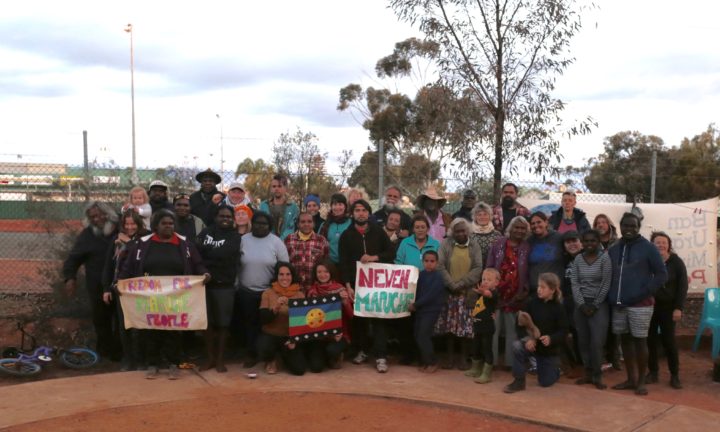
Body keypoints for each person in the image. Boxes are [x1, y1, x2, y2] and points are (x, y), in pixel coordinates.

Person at [118, 210, 210, 380]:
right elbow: (128, 266)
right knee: (151, 330)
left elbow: (198, 263)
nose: (168, 226)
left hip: (176, 295)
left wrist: (204, 273)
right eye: (164, 223)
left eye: (171, 223)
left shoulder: (185, 244)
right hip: (150, 295)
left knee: (173, 331)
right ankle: (153, 364)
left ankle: (173, 364)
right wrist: (120, 281)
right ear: (156, 226)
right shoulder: (143, 244)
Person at [608, 212, 668, 396]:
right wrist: (612, 296)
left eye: (633, 226)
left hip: (641, 304)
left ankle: (641, 381)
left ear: (638, 227)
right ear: (620, 226)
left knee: (640, 341)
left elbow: (661, 274)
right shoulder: (613, 249)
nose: (629, 229)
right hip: (619, 305)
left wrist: (643, 292)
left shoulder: (649, 248)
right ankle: (630, 379)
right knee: (625, 341)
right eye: (625, 225)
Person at [339, 199, 396, 372]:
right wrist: (348, 285)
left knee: (379, 321)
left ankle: (381, 356)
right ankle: (362, 351)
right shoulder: (346, 235)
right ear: (352, 214)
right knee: (360, 321)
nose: (361, 213)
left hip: (377, 285)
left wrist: (374, 258)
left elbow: (390, 253)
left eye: (364, 210)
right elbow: (343, 262)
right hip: (356, 284)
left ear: (369, 213)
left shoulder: (378, 232)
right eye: (357, 210)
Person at [63, 201, 119, 360]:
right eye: (92, 217)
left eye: (98, 215)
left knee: (121, 321)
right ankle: (104, 354)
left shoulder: (121, 229)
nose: (95, 219)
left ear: (107, 214)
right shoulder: (87, 235)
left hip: (120, 284)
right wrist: (70, 278)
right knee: (101, 320)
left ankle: (121, 354)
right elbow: (73, 258)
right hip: (97, 285)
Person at [236, 211, 289, 367]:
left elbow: (284, 266)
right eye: (257, 223)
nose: (260, 226)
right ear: (252, 224)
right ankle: (251, 353)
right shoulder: (243, 240)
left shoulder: (276, 242)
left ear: (269, 226)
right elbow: (235, 263)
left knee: (267, 325)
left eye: (264, 224)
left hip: (269, 293)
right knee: (249, 324)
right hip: (246, 291)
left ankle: (268, 355)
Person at [504, 273, 568, 393]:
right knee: (517, 346)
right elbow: (519, 325)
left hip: (547, 349)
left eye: (543, 287)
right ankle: (519, 381)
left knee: (545, 382)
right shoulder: (531, 303)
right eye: (538, 286)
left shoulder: (559, 308)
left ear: (552, 290)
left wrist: (551, 338)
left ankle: (555, 369)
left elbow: (564, 331)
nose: (539, 289)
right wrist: (527, 338)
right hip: (532, 345)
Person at [196, 205, 242, 373]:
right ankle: (210, 358)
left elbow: (225, 253)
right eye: (222, 216)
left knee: (223, 324)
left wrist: (208, 253)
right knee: (206, 324)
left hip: (225, 285)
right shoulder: (205, 232)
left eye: (229, 217)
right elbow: (196, 252)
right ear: (215, 217)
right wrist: (212, 254)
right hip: (204, 285)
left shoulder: (235, 236)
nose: (225, 219)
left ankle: (221, 359)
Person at [101, 209, 149, 371]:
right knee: (124, 326)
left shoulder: (146, 238)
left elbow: (143, 257)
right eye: (126, 224)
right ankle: (128, 359)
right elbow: (108, 265)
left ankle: (142, 359)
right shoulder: (116, 240)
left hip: (142, 289)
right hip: (121, 289)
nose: (129, 227)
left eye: (133, 223)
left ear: (138, 223)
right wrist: (106, 288)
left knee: (142, 325)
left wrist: (128, 243)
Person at [434, 218, 483, 370]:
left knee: (465, 328)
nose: (461, 233)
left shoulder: (474, 245)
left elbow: (478, 268)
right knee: (449, 328)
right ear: (452, 232)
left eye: (463, 230)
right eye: (457, 231)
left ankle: (463, 358)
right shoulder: (446, 244)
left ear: (468, 231)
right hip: (449, 293)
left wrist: (460, 284)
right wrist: (451, 285)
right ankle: (449, 358)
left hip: (467, 293)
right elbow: (440, 265)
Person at [486, 216, 531, 367]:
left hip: (515, 295)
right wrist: (489, 288)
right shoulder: (498, 244)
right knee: (493, 329)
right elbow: (489, 266)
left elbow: (528, 270)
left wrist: (525, 290)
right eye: (516, 227)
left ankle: (510, 363)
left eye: (523, 228)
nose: (519, 230)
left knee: (513, 331)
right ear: (510, 228)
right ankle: (490, 362)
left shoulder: (526, 247)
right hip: (496, 294)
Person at [571, 229, 612, 389]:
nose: (589, 244)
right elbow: (575, 283)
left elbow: (606, 283)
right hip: (581, 305)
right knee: (583, 340)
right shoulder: (578, 259)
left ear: (598, 242)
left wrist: (595, 305)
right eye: (586, 241)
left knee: (597, 342)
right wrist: (581, 304)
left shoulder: (605, 258)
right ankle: (587, 373)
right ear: (582, 242)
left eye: (593, 241)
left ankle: (597, 375)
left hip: (599, 305)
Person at [647, 231, 688, 389]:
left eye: (664, 242)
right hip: (649, 307)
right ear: (652, 245)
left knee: (669, 341)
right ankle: (653, 372)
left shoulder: (676, 262)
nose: (661, 245)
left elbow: (682, 286)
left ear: (669, 245)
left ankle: (674, 375)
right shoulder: (648, 261)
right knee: (650, 340)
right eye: (657, 242)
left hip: (669, 308)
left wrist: (678, 308)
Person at [257, 262, 306, 375]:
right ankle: (271, 359)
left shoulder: (300, 295)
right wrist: (275, 308)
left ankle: (282, 357)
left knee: (299, 370)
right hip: (271, 335)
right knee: (263, 347)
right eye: (281, 274)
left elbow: (303, 322)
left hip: (289, 337)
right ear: (276, 276)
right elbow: (263, 319)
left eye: (288, 274)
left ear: (292, 276)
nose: (285, 278)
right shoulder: (268, 293)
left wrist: (295, 340)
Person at [306, 260, 354, 371]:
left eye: (326, 271)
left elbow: (351, 315)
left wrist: (345, 302)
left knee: (332, 350)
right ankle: (323, 356)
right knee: (316, 368)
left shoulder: (340, 289)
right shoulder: (312, 291)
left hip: (339, 334)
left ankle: (336, 355)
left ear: (331, 272)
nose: (322, 275)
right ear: (315, 274)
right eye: (319, 272)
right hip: (319, 335)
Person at [408, 251, 446, 373]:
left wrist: (415, 304)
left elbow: (430, 295)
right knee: (417, 335)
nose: (429, 263)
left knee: (423, 335)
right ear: (422, 262)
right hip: (420, 310)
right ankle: (425, 361)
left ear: (437, 262)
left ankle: (432, 362)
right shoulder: (421, 275)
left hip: (431, 310)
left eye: (432, 261)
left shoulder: (438, 277)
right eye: (426, 261)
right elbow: (416, 292)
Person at [593, 213, 621, 370]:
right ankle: (602, 357)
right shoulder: (592, 243)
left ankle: (615, 357)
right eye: (598, 222)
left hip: (615, 288)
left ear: (609, 225)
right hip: (597, 289)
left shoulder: (618, 243)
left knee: (615, 325)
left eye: (604, 222)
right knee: (601, 324)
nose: (601, 225)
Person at [466, 268, 500, 384]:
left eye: (489, 280)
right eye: (484, 279)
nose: (485, 281)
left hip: (487, 327)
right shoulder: (480, 293)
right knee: (476, 347)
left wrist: (483, 292)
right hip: (477, 326)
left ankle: (487, 373)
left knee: (487, 349)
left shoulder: (494, 293)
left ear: (496, 282)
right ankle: (475, 369)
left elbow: (488, 294)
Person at [284, 212, 330, 291]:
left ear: (314, 224)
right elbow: (285, 263)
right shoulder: (289, 239)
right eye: (303, 222)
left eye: (309, 221)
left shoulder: (321, 240)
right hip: (294, 287)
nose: (306, 224)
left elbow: (326, 262)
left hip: (314, 287)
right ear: (298, 224)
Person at [528, 212, 565, 300]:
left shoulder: (558, 238)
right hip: (535, 291)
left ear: (546, 222)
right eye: (533, 223)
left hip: (554, 291)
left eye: (539, 222)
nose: (536, 225)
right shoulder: (529, 241)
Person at [259, 174, 299, 240]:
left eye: (280, 186)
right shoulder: (263, 205)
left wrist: (280, 240)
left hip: (287, 242)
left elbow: (291, 227)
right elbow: (261, 225)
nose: (276, 189)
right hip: (267, 241)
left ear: (285, 188)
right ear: (271, 189)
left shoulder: (293, 207)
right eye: (274, 186)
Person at [319, 193, 351, 264]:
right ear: (331, 206)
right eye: (335, 204)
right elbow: (319, 244)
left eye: (340, 204)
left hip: (347, 262)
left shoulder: (351, 223)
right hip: (329, 262)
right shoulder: (324, 225)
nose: (337, 207)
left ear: (345, 206)